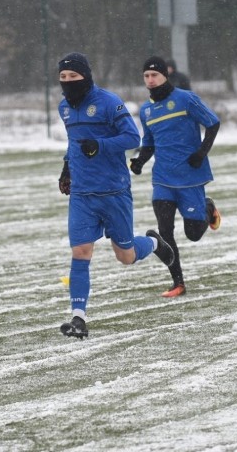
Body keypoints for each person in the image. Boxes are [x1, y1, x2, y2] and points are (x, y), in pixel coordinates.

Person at [57, 52, 175, 339]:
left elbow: (132, 138)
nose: (68, 82)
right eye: (63, 78)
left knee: (125, 256)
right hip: (83, 194)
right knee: (80, 253)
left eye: (73, 76)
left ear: (86, 76)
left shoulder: (109, 103)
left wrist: (100, 145)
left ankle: (152, 243)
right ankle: (78, 317)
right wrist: (66, 168)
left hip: (114, 192)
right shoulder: (65, 108)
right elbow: (75, 144)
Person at [130, 56, 222, 297]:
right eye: (146, 76)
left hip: (190, 177)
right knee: (165, 230)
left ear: (165, 76)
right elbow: (148, 143)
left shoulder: (185, 99)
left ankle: (207, 206)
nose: (150, 80)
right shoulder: (146, 110)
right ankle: (178, 283)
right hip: (162, 179)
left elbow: (213, 123)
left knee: (193, 234)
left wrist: (201, 152)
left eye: (154, 75)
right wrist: (139, 161)